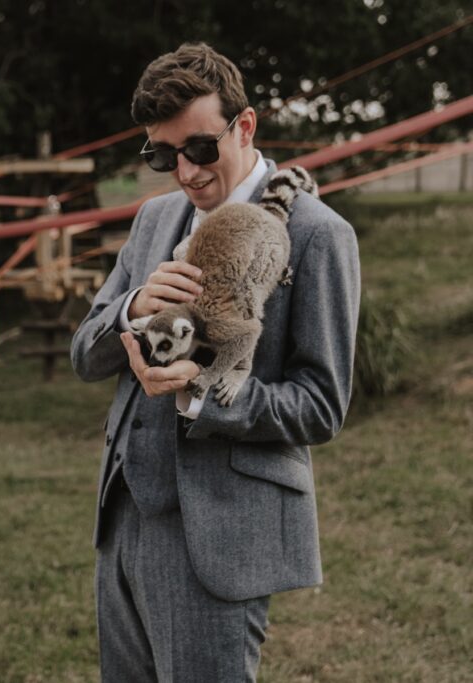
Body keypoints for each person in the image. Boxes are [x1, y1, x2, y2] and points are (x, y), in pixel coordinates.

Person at [71, 43, 361, 681]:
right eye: (161, 155)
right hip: (123, 514)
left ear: (245, 126)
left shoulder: (317, 234)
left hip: (219, 533)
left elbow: (321, 402)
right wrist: (132, 307)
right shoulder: (152, 220)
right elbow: (84, 351)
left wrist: (201, 393)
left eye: (200, 148)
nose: (185, 172)